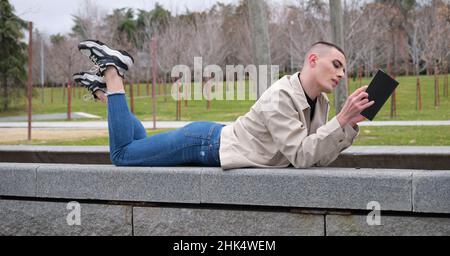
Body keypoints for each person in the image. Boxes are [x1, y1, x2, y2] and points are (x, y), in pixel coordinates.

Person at [73, 40, 374, 169]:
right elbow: (300, 155)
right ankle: (113, 70)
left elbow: (316, 155)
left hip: (211, 140)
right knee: (123, 155)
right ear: (312, 60)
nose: (340, 74)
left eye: (344, 70)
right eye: (336, 65)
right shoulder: (281, 96)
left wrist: (348, 124)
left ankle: (104, 94)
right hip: (203, 144)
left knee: (137, 143)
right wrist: (342, 119)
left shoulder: (318, 103)